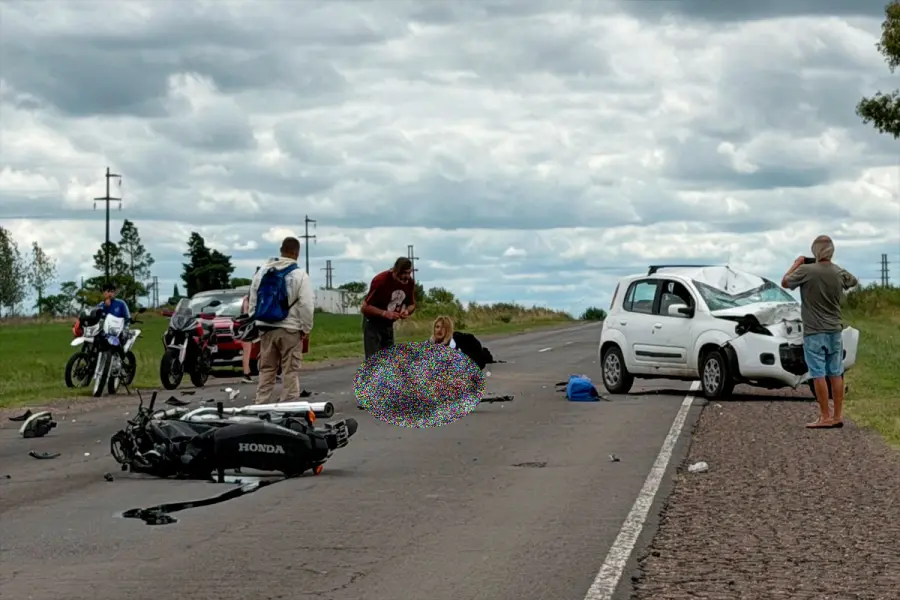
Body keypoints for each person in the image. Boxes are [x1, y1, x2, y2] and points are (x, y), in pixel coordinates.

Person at [782, 235, 859, 429]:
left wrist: (797, 263)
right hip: (834, 330)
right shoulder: (837, 272)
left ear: (815, 251)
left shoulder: (806, 270)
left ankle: (825, 415)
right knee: (836, 373)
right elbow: (853, 281)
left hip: (814, 331)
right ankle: (838, 415)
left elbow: (785, 282)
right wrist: (834, 266)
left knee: (818, 373)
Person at [248, 237, 314, 404]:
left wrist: (256, 324)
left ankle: (260, 404)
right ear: (296, 253)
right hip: (290, 329)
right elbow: (306, 305)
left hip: (266, 328)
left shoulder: (262, 272)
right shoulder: (300, 275)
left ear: (281, 250)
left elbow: (253, 300)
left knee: (267, 369)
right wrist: (306, 328)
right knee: (290, 370)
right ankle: (289, 406)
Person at [360, 257, 417, 359]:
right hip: (373, 324)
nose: (406, 277)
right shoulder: (381, 280)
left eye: (409, 273)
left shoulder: (410, 283)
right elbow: (365, 307)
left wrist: (407, 311)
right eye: (403, 273)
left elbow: (412, 304)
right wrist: (384, 313)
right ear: (395, 271)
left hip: (388, 325)